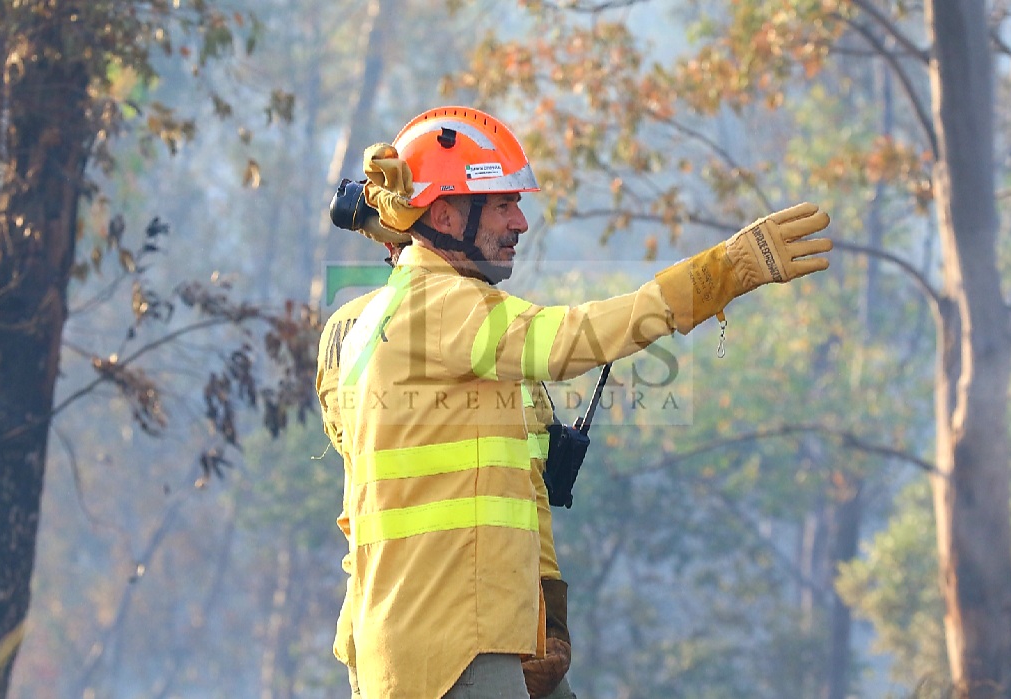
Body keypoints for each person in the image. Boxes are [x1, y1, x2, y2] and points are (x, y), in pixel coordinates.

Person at [329, 106, 832, 699]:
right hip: (453, 647)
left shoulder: (354, 329)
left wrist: (549, 615)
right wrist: (718, 274)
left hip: (441, 636)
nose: (519, 222)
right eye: (502, 204)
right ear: (443, 214)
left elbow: (517, 485)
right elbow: (575, 338)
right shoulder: (445, 309)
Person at [317, 231, 576, 698]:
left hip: (391, 619)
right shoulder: (491, 330)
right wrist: (552, 617)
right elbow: (529, 490)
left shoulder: (348, 330)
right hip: (469, 622)